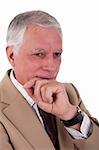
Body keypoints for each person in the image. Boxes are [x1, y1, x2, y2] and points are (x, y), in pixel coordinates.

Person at [0, 10, 99, 150]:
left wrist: (70, 116)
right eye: (39, 54)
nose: (51, 66)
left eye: (57, 54)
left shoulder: (69, 93)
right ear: (11, 56)